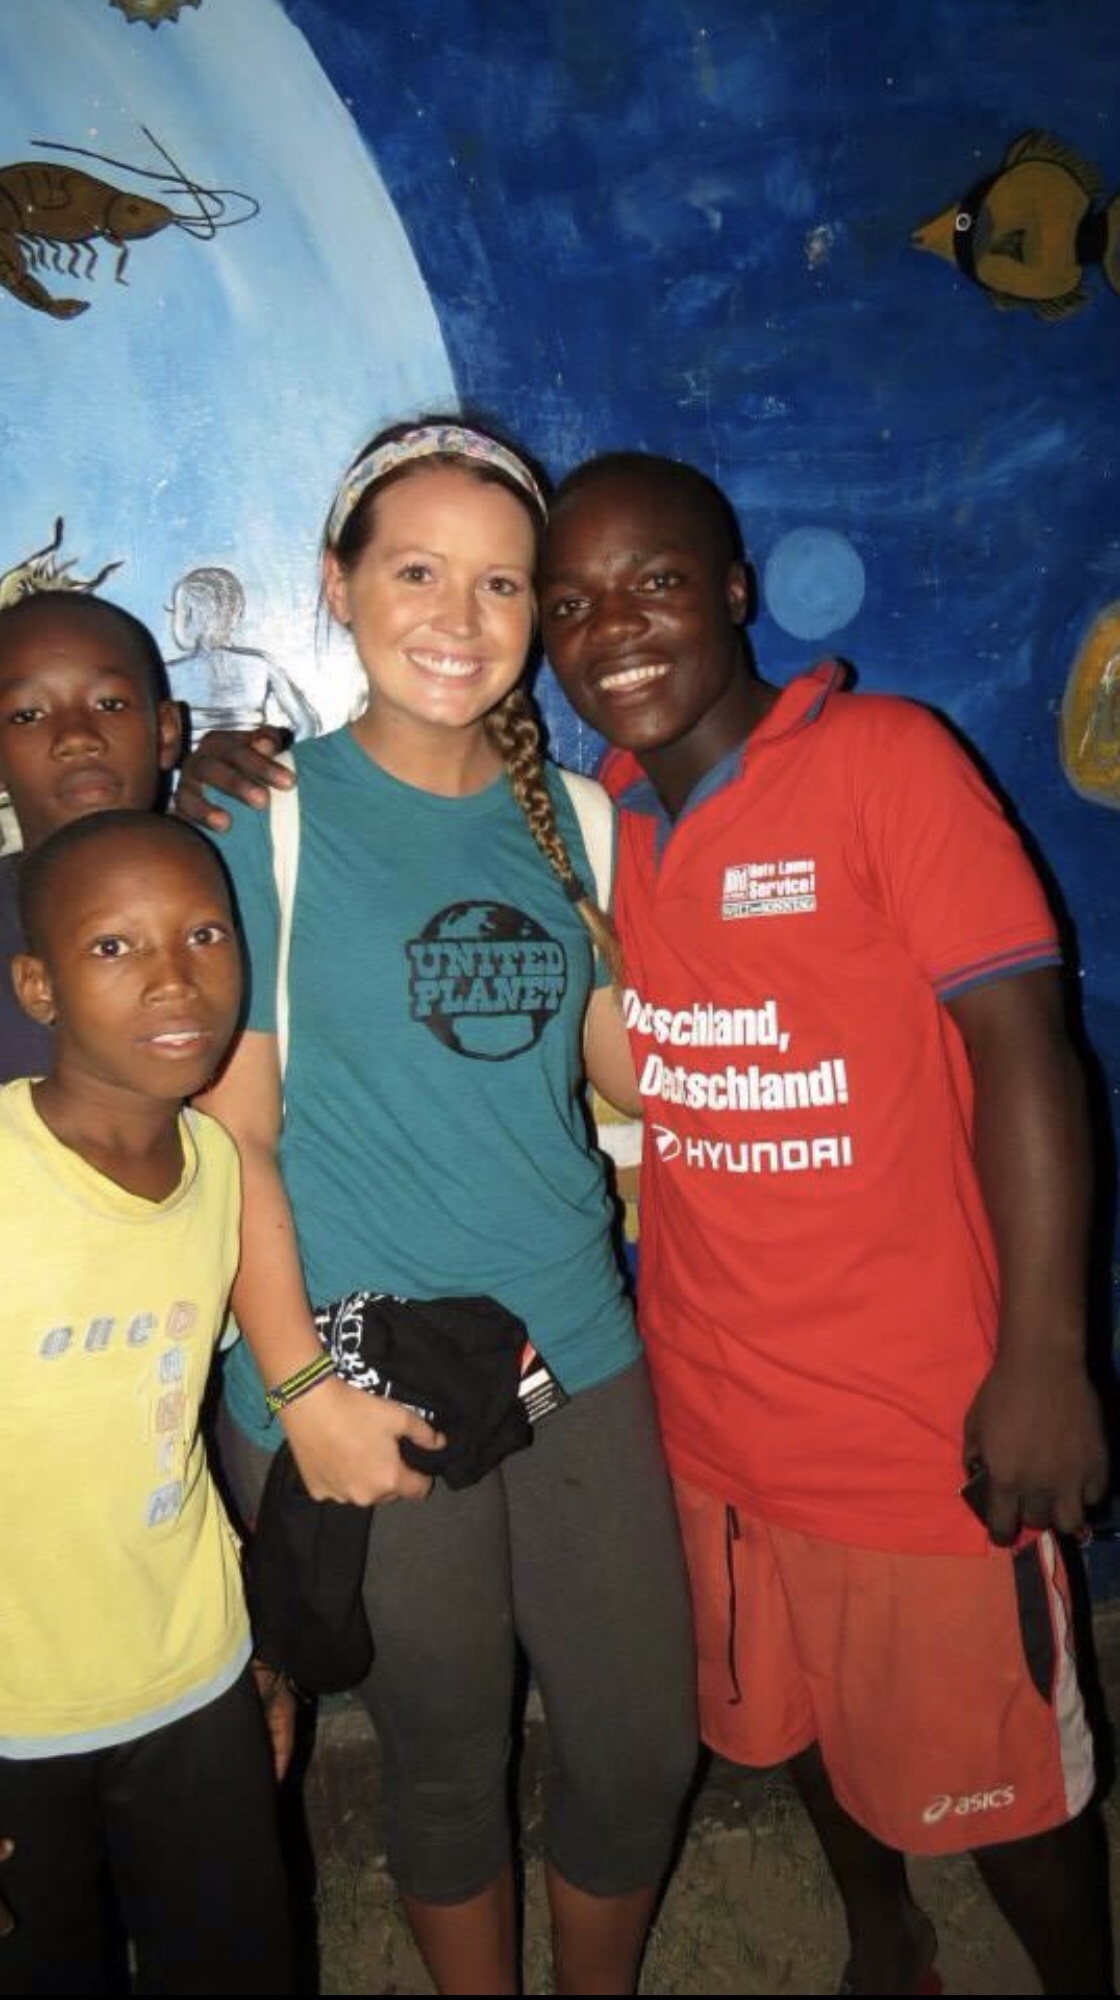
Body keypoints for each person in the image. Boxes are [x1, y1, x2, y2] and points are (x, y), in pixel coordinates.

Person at [536, 451, 1113, 1997]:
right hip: (712, 1415)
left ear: (733, 591)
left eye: (655, 582)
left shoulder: (882, 763)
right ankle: (883, 1946)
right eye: (570, 603)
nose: (612, 629)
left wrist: (1044, 1355)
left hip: (913, 1423)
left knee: (1005, 1791)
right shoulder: (596, 826)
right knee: (791, 1725)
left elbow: (1023, 1048)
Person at [191, 417, 697, 1997]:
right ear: (335, 585)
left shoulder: (587, 823)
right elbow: (233, 1142)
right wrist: (300, 1394)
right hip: (361, 1367)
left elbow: (645, 1073)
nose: (459, 619)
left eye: (500, 583)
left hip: (576, 1354)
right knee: (442, 1752)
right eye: (415, 571)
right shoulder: (262, 825)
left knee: (638, 1743)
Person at [0, 810, 295, 1996]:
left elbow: (165, 1430)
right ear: (39, 985)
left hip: (192, 1676)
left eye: (205, 933)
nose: (175, 976)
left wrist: (255, 1654)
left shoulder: (219, 1169)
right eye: (114, 946)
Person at [0, 589, 181, 1084]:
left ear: (166, 731)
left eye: (110, 703)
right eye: (27, 715)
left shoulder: (240, 892)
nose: (77, 737)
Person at [166, 564, 321, 746]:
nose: (174, 619)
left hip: (198, 765)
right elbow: (307, 725)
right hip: (252, 762)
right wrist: (274, 756)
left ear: (198, 615)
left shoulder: (169, 674)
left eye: (177, 611)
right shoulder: (260, 665)